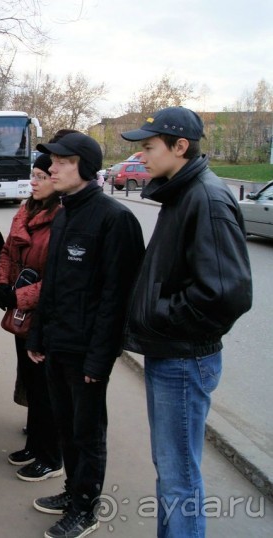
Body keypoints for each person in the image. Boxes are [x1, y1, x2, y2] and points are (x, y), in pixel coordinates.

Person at [120, 107, 252, 538]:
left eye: (149, 147)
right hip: (171, 353)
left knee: (179, 477)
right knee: (172, 471)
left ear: (180, 147)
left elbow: (227, 294)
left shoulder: (205, 197)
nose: (141, 157)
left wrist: (158, 316)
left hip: (182, 357)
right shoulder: (183, 192)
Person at [26, 132, 144, 538]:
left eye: (63, 161)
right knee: (65, 425)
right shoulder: (64, 213)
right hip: (57, 344)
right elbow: (52, 284)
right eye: (52, 161)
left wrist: (100, 359)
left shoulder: (115, 219)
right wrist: (37, 336)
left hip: (87, 352)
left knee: (87, 432)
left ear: (87, 168)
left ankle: (86, 508)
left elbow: (117, 298)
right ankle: (73, 491)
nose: (52, 168)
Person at [0, 153, 63, 482]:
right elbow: (7, 250)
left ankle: (51, 456)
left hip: (47, 315)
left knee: (47, 388)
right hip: (22, 314)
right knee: (32, 383)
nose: (33, 181)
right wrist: (2, 283)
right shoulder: (26, 209)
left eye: (41, 176)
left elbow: (60, 278)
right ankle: (35, 444)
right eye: (33, 175)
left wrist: (19, 295)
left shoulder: (63, 216)